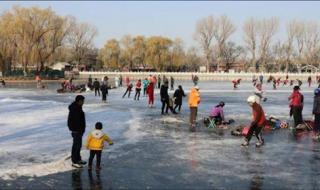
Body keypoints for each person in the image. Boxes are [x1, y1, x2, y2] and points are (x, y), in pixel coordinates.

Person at [68, 95, 87, 168]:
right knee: (76, 146)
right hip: (76, 130)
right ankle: (74, 161)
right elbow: (75, 121)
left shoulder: (78, 107)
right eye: (82, 101)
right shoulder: (75, 109)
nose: (83, 102)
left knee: (78, 145)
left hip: (79, 130)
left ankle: (78, 159)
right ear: (79, 101)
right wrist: (78, 130)